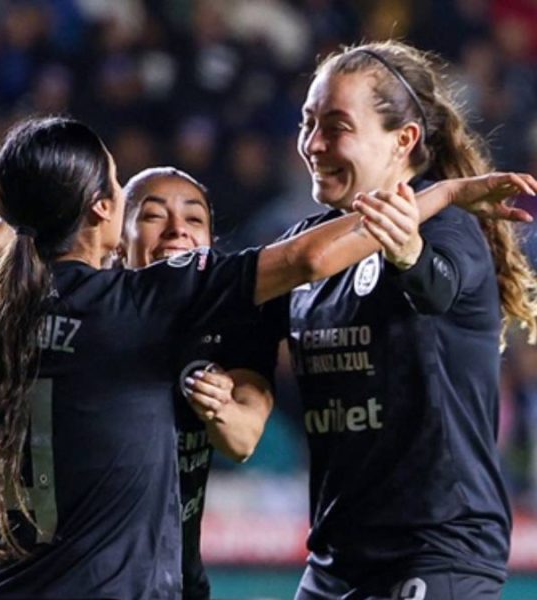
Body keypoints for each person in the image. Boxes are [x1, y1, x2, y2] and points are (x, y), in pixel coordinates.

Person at [0, 115, 534, 600]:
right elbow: (310, 256)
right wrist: (434, 194)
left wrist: (18, 216)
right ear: (103, 211)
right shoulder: (140, 306)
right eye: (126, 193)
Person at [0, 165, 278, 600]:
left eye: (195, 219)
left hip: (165, 580)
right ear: (115, 235)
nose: (177, 231)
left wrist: (221, 409)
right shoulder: (82, 315)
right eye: (153, 216)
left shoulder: (227, 326)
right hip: (58, 575)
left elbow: (243, 438)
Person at [214, 40, 537, 600]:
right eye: (306, 123)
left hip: (435, 555)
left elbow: (435, 288)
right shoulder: (300, 247)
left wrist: (409, 253)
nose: (313, 144)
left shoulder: (447, 229)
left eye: (335, 127)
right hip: (335, 562)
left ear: (404, 140)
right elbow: (249, 384)